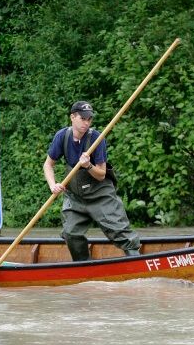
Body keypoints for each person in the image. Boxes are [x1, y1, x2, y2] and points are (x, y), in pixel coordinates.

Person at [43, 101, 141, 261]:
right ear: (72, 117)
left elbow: (101, 174)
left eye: (89, 119)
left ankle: (137, 262)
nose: (86, 123)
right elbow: (48, 165)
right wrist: (53, 185)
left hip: (100, 196)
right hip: (75, 198)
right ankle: (83, 266)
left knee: (120, 231)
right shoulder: (62, 136)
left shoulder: (97, 139)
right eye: (83, 118)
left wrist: (88, 165)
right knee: (70, 233)